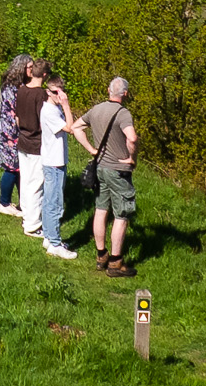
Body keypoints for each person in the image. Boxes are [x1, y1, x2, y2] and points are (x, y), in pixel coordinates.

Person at [77, 75, 141, 274]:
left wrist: (91, 149)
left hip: (101, 168)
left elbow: (76, 127)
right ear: (126, 94)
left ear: (108, 90)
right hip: (118, 170)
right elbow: (132, 138)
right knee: (121, 214)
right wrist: (131, 157)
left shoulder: (97, 109)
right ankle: (115, 262)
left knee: (101, 209)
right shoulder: (123, 114)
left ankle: (101, 254)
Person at [30, 71, 80, 260]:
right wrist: (67, 106)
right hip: (54, 163)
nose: (60, 96)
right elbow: (70, 128)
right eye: (56, 92)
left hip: (55, 160)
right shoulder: (50, 111)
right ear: (48, 92)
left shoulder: (52, 109)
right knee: (55, 203)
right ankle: (55, 243)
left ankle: (49, 238)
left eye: (62, 92)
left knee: (51, 200)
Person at [0, 59, 33, 219]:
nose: (32, 70)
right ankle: (4, 203)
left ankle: (21, 202)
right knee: (11, 167)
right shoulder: (13, 88)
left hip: (11, 129)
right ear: (21, 68)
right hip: (10, 131)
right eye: (29, 67)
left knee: (18, 167)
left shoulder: (13, 85)